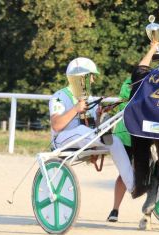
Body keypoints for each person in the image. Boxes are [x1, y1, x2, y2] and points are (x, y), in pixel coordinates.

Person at [48, 57, 135, 197]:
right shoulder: (59, 97)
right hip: (62, 139)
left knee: (115, 141)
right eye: (91, 76)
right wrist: (76, 109)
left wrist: (100, 117)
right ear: (81, 78)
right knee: (82, 131)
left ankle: (133, 186)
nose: (93, 80)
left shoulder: (92, 99)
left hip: (86, 139)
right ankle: (101, 137)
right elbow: (56, 125)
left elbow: (94, 125)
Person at [106, 40, 159, 222]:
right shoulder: (130, 83)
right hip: (126, 135)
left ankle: (151, 205)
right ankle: (115, 209)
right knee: (125, 173)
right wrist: (153, 48)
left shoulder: (157, 83)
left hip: (147, 133)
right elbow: (125, 101)